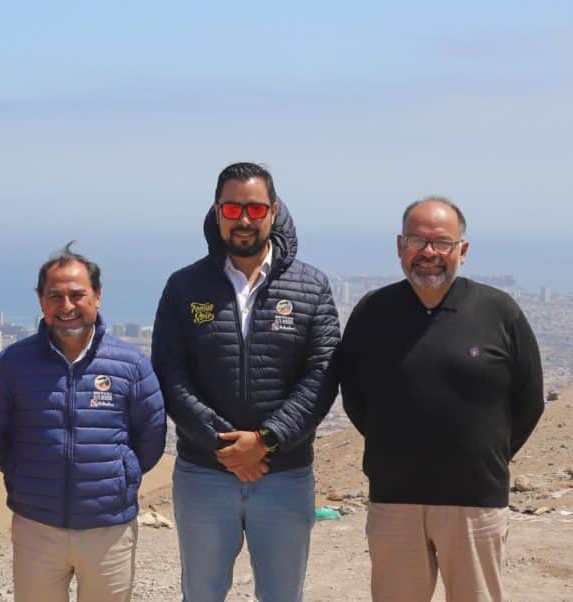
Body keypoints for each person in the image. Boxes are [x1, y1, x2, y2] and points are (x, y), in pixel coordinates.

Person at [338, 196, 543, 600]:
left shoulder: (499, 312)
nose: (429, 252)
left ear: (462, 251)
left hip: (474, 501)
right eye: (417, 240)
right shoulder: (372, 312)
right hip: (394, 499)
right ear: (400, 247)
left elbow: (529, 400)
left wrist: (488, 454)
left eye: (442, 243)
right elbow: (355, 395)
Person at [151, 162, 340, 601]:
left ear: (273, 212)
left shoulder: (310, 286)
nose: (243, 220)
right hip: (204, 472)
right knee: (201, 593)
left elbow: (322, 375)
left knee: (281, 595)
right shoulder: (184, 286)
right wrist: (226, 446)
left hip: (284, 473)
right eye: (233, 208)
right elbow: (170, 373)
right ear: (217, 213)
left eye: (255, 209)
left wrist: (266, 440)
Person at [0, 243, 167, 602]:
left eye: (77, 295)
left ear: (97, 296)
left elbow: (151, 436)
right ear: (40, 301)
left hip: (109, 527)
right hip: (37, 525)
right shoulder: (12, 365)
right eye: (55, 296)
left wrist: (121, 474)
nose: (67, 306)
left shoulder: (131, 365)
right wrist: (24, 471)